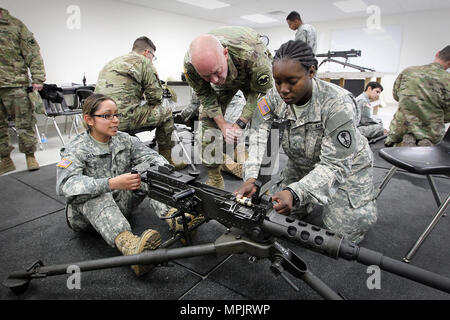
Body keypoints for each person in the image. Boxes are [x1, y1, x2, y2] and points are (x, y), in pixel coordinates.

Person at [235, 40, 377, 244]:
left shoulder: (337, 104)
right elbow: (260, 139)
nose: (283, 89)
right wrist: (252, 179)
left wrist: (295, 191)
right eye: (277, 81)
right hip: (302, 162)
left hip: (347, 167)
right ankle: (308, 198)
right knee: (274, 214)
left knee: (342, 235)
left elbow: (335, 164)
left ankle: (363, 199)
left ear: (311, 72)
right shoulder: (274, 98)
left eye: (292, 81)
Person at [56, 94, 199, 276]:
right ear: (89, 119)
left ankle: (177, 218)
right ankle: (130, 246)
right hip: (87, 217)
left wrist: (149, 172)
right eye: (107, 116)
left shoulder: (123, 139)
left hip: (121, 202)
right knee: (98, 194)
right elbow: (65, 185)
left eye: (117, 115)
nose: (115, 120)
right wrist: (110, 184)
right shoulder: (76, 148)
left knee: (148, 172)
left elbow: (153, 158)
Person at [184, 26, 273, 188]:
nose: (215, 80)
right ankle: (215, 178)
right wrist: (222, 124)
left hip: (249, 73)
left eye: (217, 72)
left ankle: (260, 181)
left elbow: (260, 93)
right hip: (229, 69)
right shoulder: (191, 66)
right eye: (207, 76)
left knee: (263, 121)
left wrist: (241, 122)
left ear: (225, 54)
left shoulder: (254, 54)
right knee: (207, 121)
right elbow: (205, 95)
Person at [95, 36, 185, 169]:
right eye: (153, 56)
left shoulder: (113, 62)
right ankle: (167, 160)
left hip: (97, 118)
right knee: (166, 113)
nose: (152, 60)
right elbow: (156, 97)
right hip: (121, 118)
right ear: (147, 53)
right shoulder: (144, 62)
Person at [0, 7, 45, 175]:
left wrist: (38, 78)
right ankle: (5, 159)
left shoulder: (15, 25)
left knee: (24, 123)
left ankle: (30, 155)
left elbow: (33, 53)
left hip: (15, 84)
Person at [385, 46, 450, 147]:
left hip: (401, 127)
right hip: (431, 131)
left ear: (437, 53)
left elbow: (397, 96)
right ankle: (423, 140)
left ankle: (407, 137)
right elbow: (448, 115)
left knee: (398, 154)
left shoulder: (408, 72)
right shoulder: (447, 80)